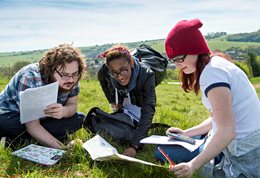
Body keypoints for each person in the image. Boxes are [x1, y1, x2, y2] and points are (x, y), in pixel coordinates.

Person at [154, 18, 260, 177]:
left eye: (179, 58)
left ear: (194, 48)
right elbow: (220, 117)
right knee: (167, 149)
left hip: (244, 151)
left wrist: (192, 166)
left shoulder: (212, 74)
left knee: (161, 153)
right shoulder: (216, 63)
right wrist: (186, 133)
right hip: (243, 143)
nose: (177, 65)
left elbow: (226, 131)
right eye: (173, 60)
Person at [0, 44, 86, 149]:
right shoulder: (29, 77)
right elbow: (31, 124)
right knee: (7, 124)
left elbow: (72, 105)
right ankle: (27, 140)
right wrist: (62, 149)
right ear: (51, 69)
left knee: (79, 118)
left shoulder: (72, 78)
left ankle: (18, 141)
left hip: (43, 118)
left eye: (75, 74)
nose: (71, 80)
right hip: (13, 116)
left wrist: (63, 111)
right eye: (64, 75)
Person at [97, 45, 156, 157]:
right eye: (114, 72)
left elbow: (148, 110)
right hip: (123, 94)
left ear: (131, 63)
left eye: (123, 70)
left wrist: (134, 145)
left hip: (139, 94)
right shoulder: (105, 70)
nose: (119, 77)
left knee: (140, 118)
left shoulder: (147, 75)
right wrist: (113, 101)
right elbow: (102, 80)